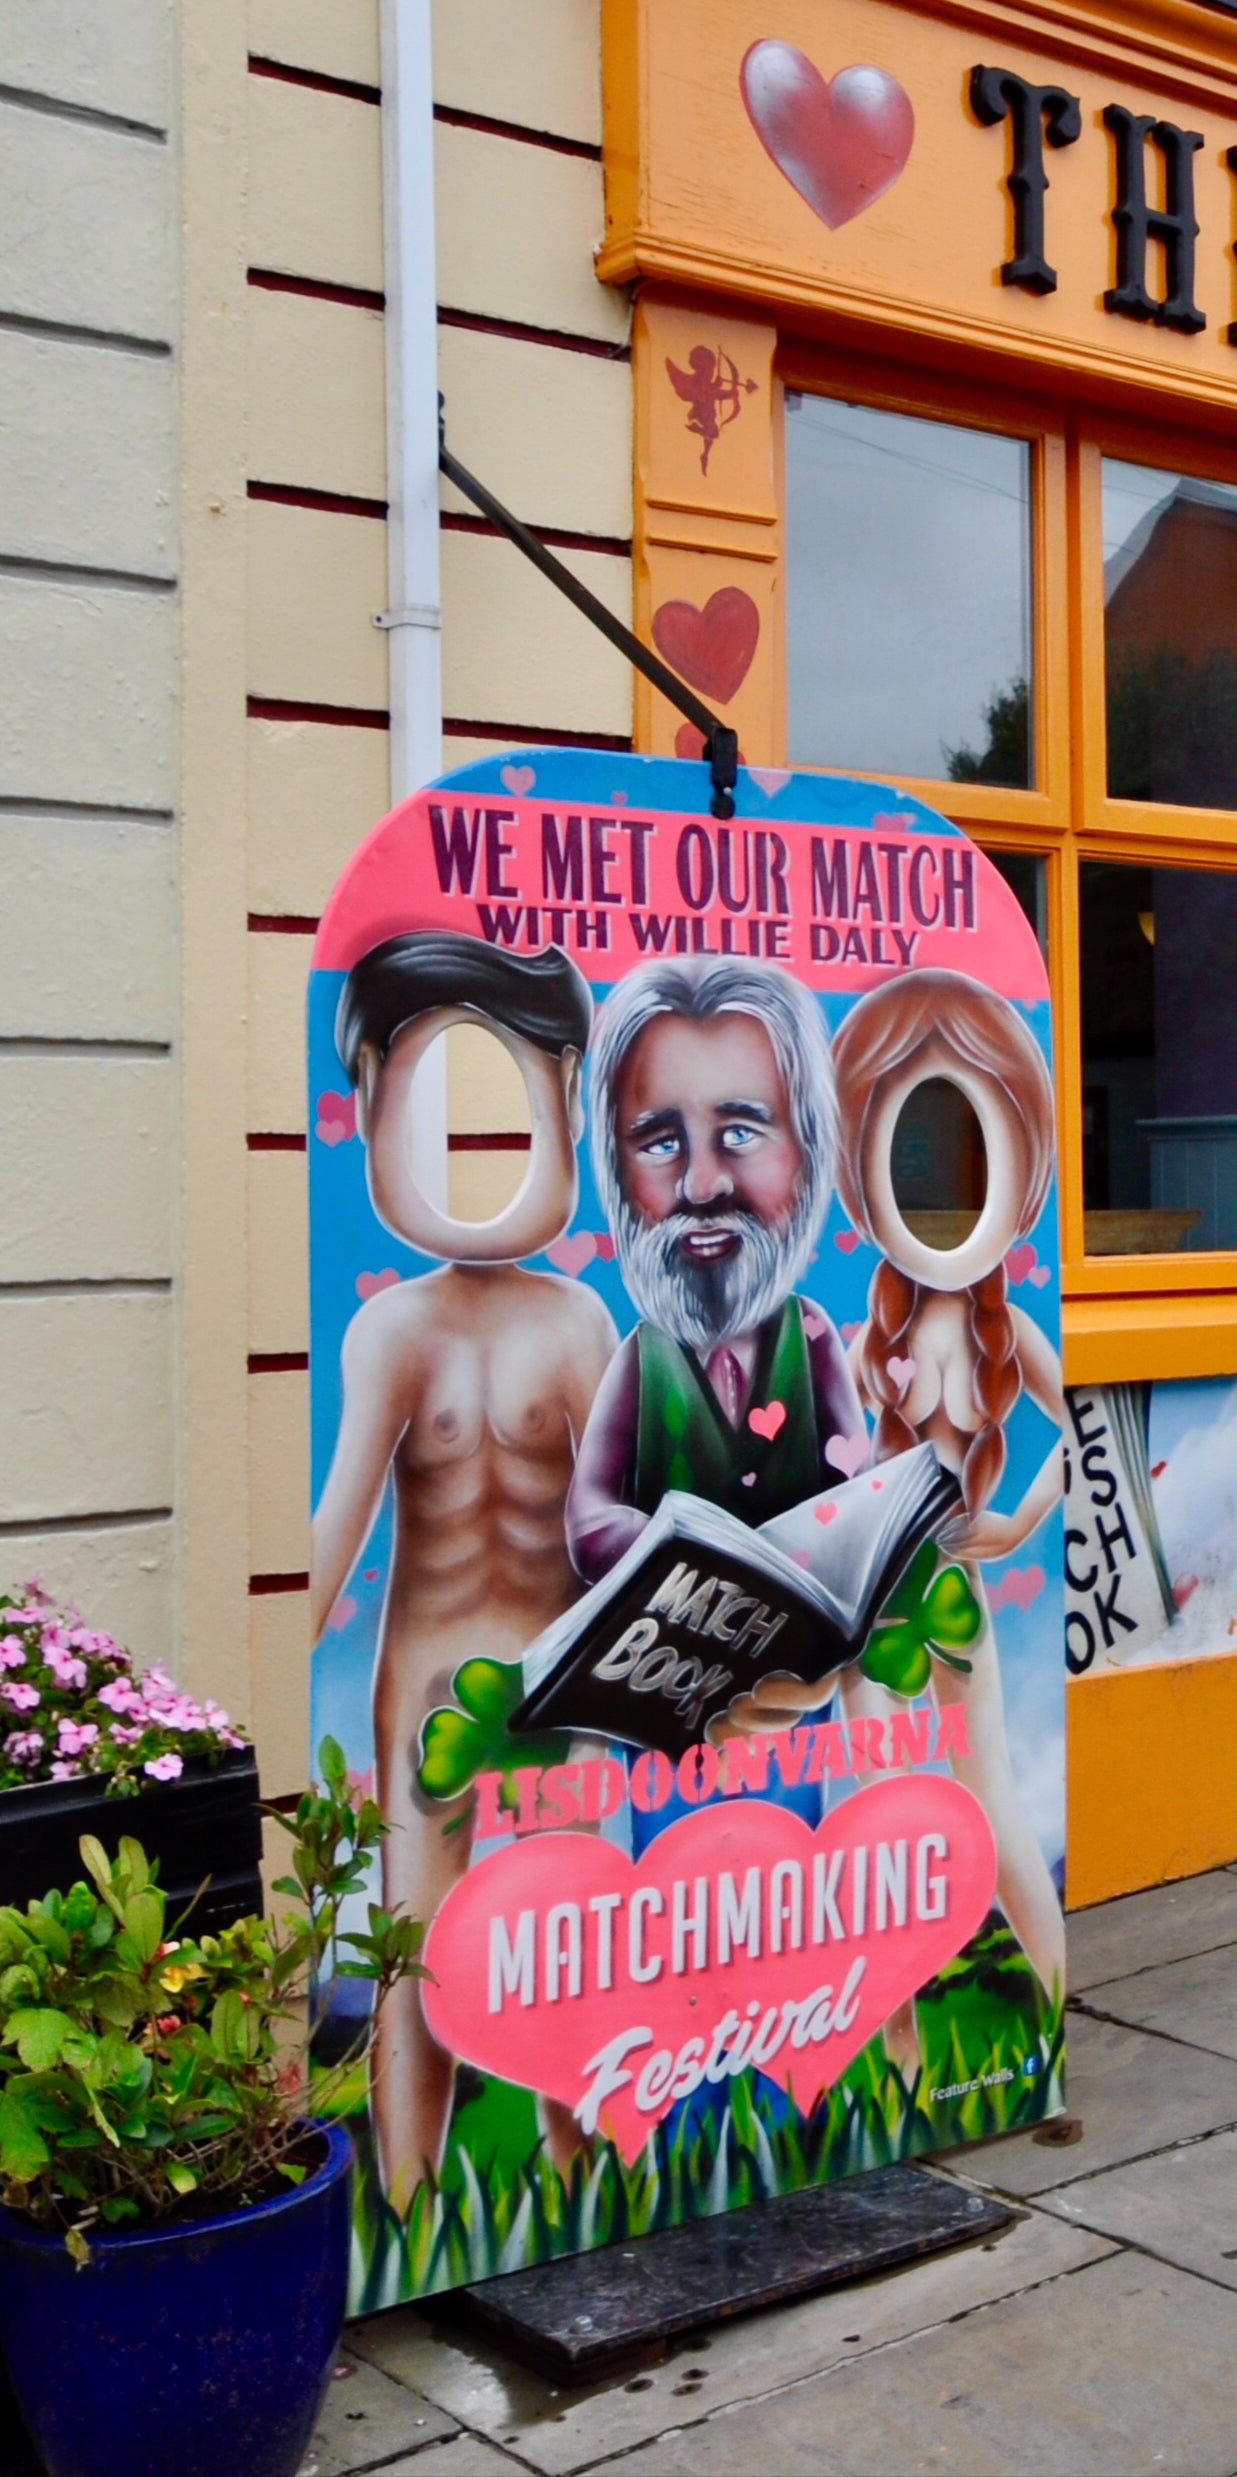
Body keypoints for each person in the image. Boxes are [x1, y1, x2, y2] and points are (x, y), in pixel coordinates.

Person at [307, 932, 617, 2213]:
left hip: (564, 1678)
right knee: (416, 1956)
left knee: (574, 1936)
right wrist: (287, 1638)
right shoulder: (393, 1330)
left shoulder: (577, 1322)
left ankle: (588, 2173)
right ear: (374, 1101)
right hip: (428, 1679)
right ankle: (410, 2199)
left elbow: (613, 1518)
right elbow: (340, 1520)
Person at [826, 970, 1068, 1996]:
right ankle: (929, 2027)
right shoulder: (876, 1338)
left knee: (936, 1802)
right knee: (934, 1799)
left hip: (913, 1591)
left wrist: (1017, 1524)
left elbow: (1077, 1428)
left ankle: (994, 2024)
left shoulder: (992, 1330)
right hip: (914, 1593)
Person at [566, 957, 875, 1739]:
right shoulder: (645, 1356)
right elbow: (589, 1514)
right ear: (614, 1161)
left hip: (793, 1687)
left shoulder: (811, 1339)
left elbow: (860, 1491)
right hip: (663, 1687)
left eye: (739, 1132)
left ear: (805, 1150)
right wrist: (673, 1549)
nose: (701, 1185)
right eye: (660, 1141)